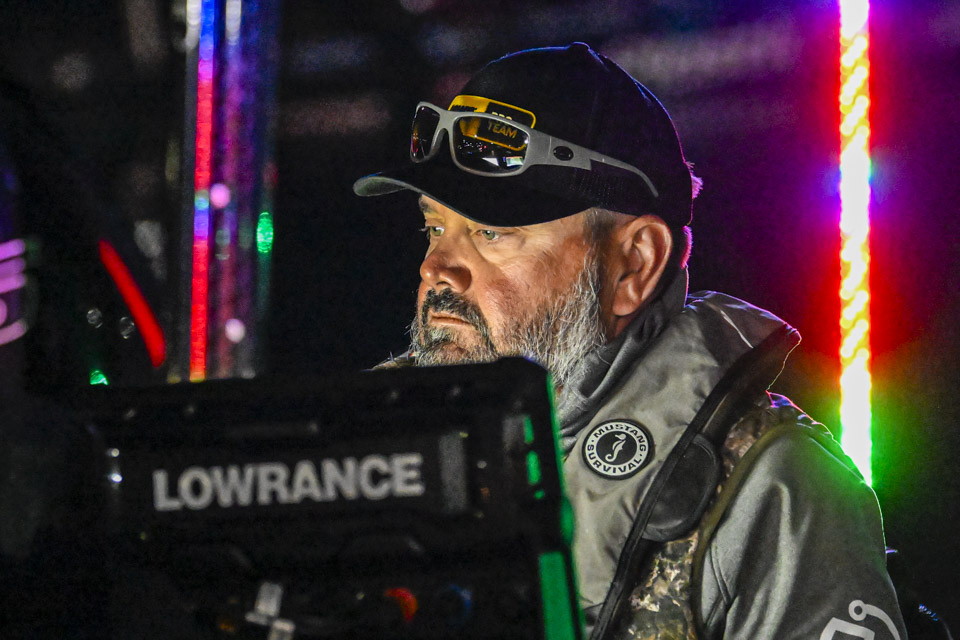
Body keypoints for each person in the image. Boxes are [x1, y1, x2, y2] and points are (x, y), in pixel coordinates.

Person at [353, 43, 908, 639]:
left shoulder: (772, 486)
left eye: (491, 233)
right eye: (435, 227)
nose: (437, 268)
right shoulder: (363, 446)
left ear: (634, 264)